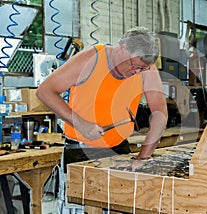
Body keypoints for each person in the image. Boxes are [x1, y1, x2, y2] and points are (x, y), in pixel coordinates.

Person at [36, 26, 168, 212]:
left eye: (143, 68)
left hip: (119, 152)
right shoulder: (91, 59)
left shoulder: (145, 67)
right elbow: (45, 91)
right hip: (81, 153)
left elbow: (160, 113)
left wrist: (143, 157)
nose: (137, 72)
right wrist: (80, 123)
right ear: (122, 48)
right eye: (134, 65)